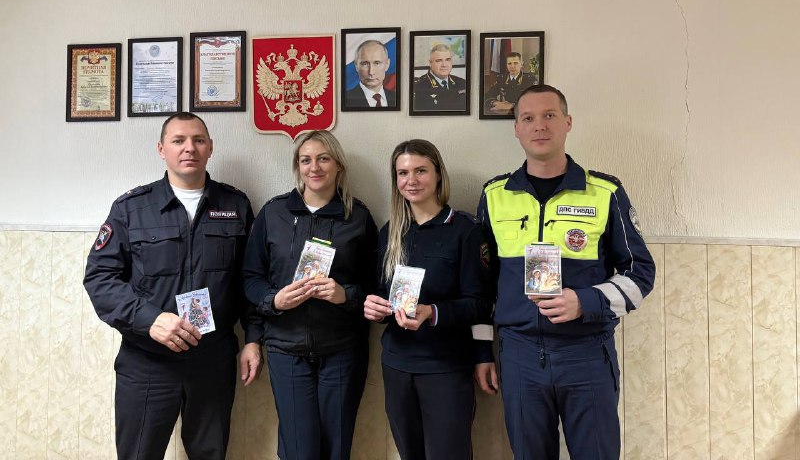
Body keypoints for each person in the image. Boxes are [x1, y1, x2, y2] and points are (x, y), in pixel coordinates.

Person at [474, 84, 656, 460]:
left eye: (549, 115)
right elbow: (480, 285)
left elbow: (640, 273)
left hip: (586, 353)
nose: (539, 125)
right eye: (528, 118)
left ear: (568, 122)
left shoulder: (604, 192)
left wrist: (586, 301)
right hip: (519, 355)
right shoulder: (494, 195)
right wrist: (481, 351)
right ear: (517, 128)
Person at [83, 112, 262, 460]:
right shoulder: (132, 208)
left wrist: (253, 338)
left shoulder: (236, 206)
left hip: (213, 360)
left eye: (198, 140)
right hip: (147, 360)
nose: (189, 148)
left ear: (210, 147)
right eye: (178, 140)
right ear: (161, 149)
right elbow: (100, 278)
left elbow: (249, 279)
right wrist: (150, 319)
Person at [243, 130, 378, 460]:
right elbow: (250, 278)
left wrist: (345, 294)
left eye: (323, 158)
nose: (314, 167)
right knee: (299, 449)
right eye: (306, 160)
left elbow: (376, 286)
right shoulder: (273, 213)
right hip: (286, 348)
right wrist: (274, 301)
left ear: (338, 165)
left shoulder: (358, 217)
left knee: (337, 448)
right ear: (297, 166)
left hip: (342, 349)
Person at [364, 139, 492, 460]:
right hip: (397, 365)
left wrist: (432, 312)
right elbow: (382, 292)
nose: (412, 180)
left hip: (445, 367)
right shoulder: (390, 231)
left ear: (438, 174)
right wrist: (375, 307)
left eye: (420, 170)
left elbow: (480, 304)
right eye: (403, 173)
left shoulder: (465, 230)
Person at [413, 43, 467, 111]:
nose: (444, 65)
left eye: (448, 60)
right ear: (430, 63)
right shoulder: (418, 87)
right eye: (439, 61)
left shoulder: (462, 83)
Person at [345, 39, 396, 108]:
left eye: (377, 63)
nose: (371, 72)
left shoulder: (396, 98)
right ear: (356, 66)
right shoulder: (345, 99)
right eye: (365, 64)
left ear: (387, 64)